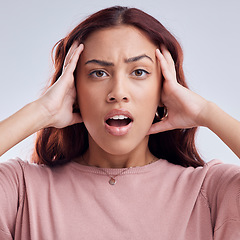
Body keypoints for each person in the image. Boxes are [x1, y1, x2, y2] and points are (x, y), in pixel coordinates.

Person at [0, 6, 240, 240]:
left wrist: (206, 111)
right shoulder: (21, 190)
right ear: (73, 89)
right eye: (98, 73)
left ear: (163, 89)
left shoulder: (209, 191)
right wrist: (41, 110)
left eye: (139, 72)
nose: (118, 92)